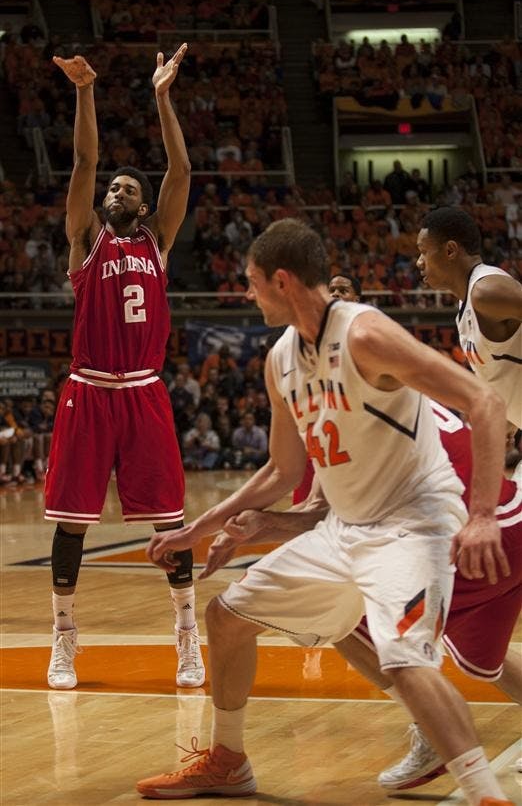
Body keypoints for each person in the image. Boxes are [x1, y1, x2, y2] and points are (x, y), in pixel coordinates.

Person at [137, 218, 512, 805]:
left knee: (406, 661)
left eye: (253, 283)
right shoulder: (281, 359)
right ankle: (228, 761)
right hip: (345, 531)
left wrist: (482, 514)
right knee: (227, 618)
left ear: (281, 281)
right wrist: (198, 528)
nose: (248, 293)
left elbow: (485, 401)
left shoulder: (365, 334)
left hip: (413, 524)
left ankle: (485, 794)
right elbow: (281, 472)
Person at [45, 47, 205, 692]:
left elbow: (182, 169)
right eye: (114, 187)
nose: (116, 191)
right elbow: (84, 160)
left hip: (143, 392)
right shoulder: (86, 242)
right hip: (88, 389)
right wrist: (85, 93)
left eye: (128, 190)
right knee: (70, 521)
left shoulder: (155, 242)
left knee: (172, 518)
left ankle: (186, 636)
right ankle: (64, 639)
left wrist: (163, 98)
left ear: (143, 209)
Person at [417, 207, 522, 430]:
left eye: (424, 251)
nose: (419, 261)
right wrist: (510, 417)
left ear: (450, 250)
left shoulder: (487, 291)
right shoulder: (468, 303)